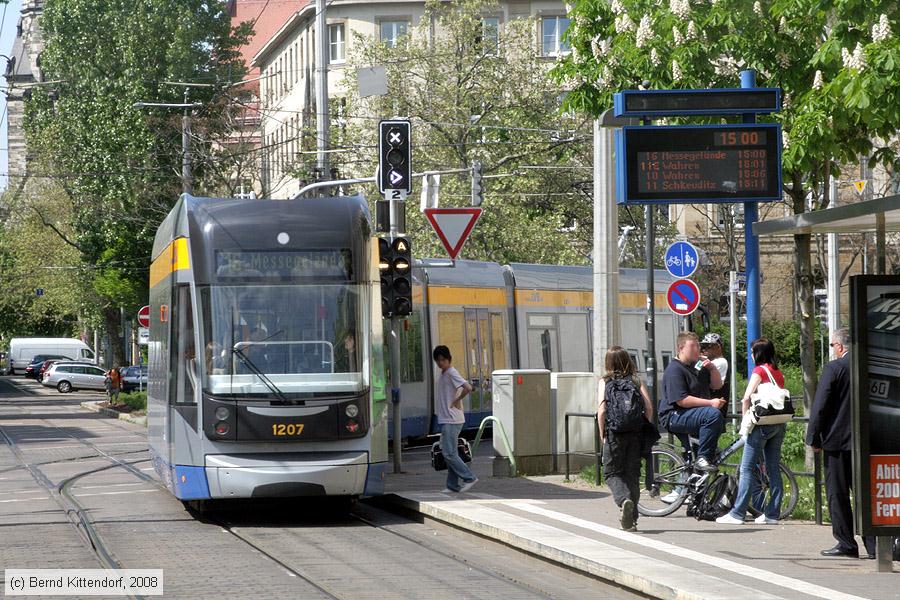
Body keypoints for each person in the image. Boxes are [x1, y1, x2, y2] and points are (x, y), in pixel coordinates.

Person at [807, 327, 875, 559]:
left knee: (838, 494)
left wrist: (814, 437)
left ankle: (846, 542)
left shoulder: (835, 368)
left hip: (837, 443)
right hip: (866, 442)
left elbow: (821, 405)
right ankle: (875, 545)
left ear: (839, 346)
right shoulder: (869, 366)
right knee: (866, 493)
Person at [716, 338, 787, 525]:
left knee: (747, 468)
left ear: (758, 353)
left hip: (761, 425)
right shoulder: (777, 373)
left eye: (751, 352)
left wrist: (745, 418)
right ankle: (772, 514)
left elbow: (746, 397)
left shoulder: (759, 371)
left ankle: (737, 513)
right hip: (778, 424)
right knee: (773, 469)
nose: (750, 355)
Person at [598, 346, 654, 532]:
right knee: (632, 474)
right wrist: (643, 426)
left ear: (608, 363)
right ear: (628, 360)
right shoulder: (636, 381)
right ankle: (632, 521)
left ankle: (624, 500)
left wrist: (602, 434)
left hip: (614, 433)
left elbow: (602, 410)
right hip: (635, 434)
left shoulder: (605, 382)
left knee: (611, 473)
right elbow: (649, 408)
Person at [659, 331, 725, 471]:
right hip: (674, 414)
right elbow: (681, 400)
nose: (697, 349)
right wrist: (710, 403)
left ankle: (691, 484)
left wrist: (712, 368)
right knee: (712, 415)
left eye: (698, 345)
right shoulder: (674, 369)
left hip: (691, 413)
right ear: (681, 348)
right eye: (692, 346)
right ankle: (703, 457)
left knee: (692, 454)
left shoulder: (698, 366)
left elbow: (717, 385)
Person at [432, 345, 478, 493]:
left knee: (449, 453)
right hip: (447, 419)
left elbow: (468, 387)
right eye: (438, 360)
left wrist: (458, 399)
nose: (440, 363)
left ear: (449, 359)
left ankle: (469, 477)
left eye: (443, 360)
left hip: (452, 419)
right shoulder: (444, 373)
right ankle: (452, 485)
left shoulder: (451, 372)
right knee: (451, 452)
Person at [701, 333, 729, 410]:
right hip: (709, 405)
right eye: (703, 346)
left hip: (715, 407)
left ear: (717, 347)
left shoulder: (720, 362)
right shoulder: (709, 361)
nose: (704, 349)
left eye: (708, 346)